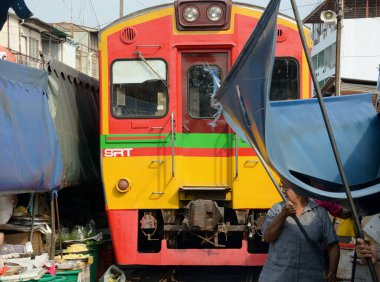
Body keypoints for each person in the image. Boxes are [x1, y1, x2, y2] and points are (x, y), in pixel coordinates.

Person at [259, 183, 340, 282]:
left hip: (312, 277)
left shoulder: (319, 213)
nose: (283, 190)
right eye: (282, 186)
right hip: (278, 276)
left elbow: (333, 245)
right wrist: (283, 215)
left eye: (286, 187)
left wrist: (332, 272)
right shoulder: (277, 210)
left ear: (299, 188)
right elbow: (267, 238)